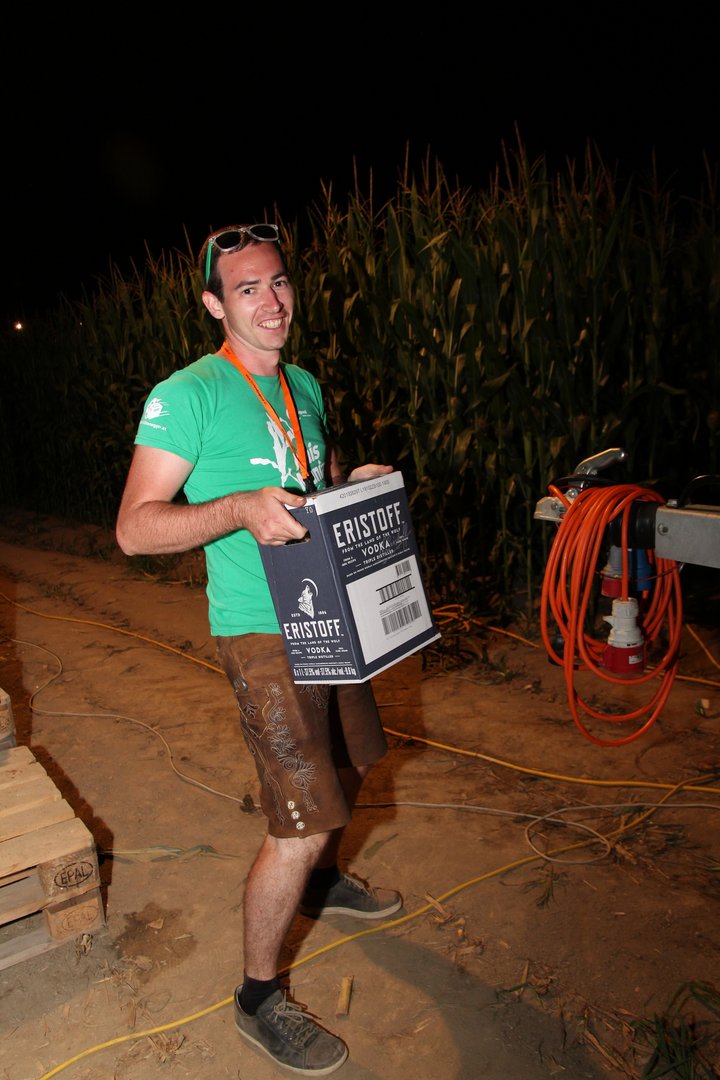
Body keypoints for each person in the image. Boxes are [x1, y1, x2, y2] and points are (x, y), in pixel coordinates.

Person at [116, 223, 402, 1075]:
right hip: (261, 630)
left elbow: (312, 482)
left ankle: (322, 884)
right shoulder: (188, 394)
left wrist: (352, 484)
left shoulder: (302, 383)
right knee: (300, 820)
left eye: (277, 282)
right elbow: (134, 529)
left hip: (329, 613)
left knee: (352, 765)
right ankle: (257, 998)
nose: (270, 301)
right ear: (214, 304)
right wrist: (239, 508)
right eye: (247, 289)